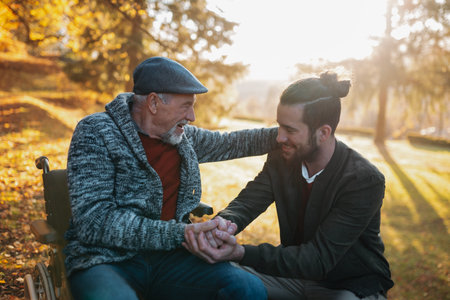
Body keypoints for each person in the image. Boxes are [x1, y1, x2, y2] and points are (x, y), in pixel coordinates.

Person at [65, 56, 278, 300]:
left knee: (248, 289)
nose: (192, 116)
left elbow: (232, 142)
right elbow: (95, 222)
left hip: (170, 258)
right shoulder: (96, 132)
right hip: (106, 260)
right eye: (186, 105)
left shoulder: (181, 137)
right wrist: (181, 233)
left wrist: (289, 133)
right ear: (154, 103)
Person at [184, 72, 394, 299]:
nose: (279, 137)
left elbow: (318, 259)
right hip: (292, 277)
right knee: (218, 278)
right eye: (279, 126)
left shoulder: (363, 180)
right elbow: (248, 201)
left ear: (323, 133)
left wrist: (240, 252)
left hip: (349, 286)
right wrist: (221, 227)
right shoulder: (282, 158)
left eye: (290, 130)